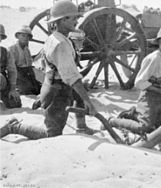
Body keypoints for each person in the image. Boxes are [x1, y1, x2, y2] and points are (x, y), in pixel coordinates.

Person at [0, 0, 97, 139]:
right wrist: (89, 102)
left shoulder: (56, 38)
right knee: (52, 133)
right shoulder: (61, 44)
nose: (77, 21)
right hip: (57, 92)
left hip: (54, 85)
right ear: (63, 20)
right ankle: (14, 126)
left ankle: (82, 127)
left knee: (78, 94)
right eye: (74, 18)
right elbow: (73, 78)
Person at [107, 24, 161, 136]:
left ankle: (136, 114)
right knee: (144, 127)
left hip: (159, 98)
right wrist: (159, 91)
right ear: (159, 41)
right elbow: (139, 82)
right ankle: (113, 121)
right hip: (148, 96)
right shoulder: (153, 58)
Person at [8, 25, 41, 95]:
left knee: (37, 89)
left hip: (27, 72)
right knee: (27, 91)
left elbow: (29, 64)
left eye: (27, 36)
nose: (25, 38)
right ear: (18, 36)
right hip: (17, 73)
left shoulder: (26, 49)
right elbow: (11, 68)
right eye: (23, 36)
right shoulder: (12, 48)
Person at [0, 24, 21, 109]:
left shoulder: (6, 52)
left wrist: (12, 88)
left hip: (2, 82)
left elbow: (12, 70)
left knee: (15, 103)